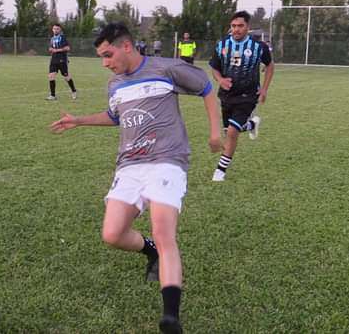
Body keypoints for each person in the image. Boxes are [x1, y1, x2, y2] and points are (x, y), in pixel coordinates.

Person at [50, 23, 222, 333]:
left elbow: (206, 88)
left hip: (167, 160)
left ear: (126, 46)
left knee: (163, 230)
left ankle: (171, 317)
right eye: (102, 57)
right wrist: (79, 120)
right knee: (112, 234)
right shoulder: (115, 84)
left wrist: (214, 132)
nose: (105, 62)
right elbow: (115, 116)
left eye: (108, 54)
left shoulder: (166, 68)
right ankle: (149, 250)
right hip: (129, 164)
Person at [209, 11, 274, 182]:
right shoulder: (221, 45)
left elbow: (269, 65)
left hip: (248, 95)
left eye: (240, 26)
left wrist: (265, 89)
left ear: (248, 27)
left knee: (231, 132)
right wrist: (220, 79)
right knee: (229, 131)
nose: (236, 29)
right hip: (226, 96)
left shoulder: (259, 47)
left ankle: (220, 171)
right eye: (233, 26)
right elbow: (214, 67)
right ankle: (252, 123)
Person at [46, 23, 78, 100]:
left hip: (62, 59)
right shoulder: (52, 38)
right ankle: (53, 95)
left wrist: (57, 50)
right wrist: (50, 49)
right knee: (51, 76)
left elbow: (67, 48)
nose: (55, 30)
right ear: (52, 30)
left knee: (66, 76)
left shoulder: (62, 38)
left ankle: (73, 90)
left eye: (57, 29)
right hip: (53, 59)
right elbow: (51, 48)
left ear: (60, 30)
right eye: (54, 29)